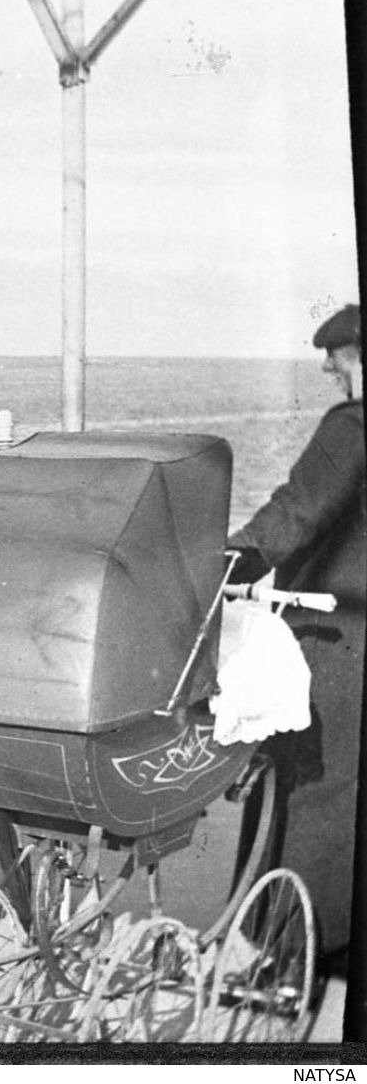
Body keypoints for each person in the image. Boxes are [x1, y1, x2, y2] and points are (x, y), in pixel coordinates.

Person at [226, 302, 363, 965]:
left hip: (337, 635)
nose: (328, 371)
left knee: (312, 786)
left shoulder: (351, 427)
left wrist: (225, 562)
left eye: (337, 363)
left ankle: (291, 949)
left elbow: (296, 510)